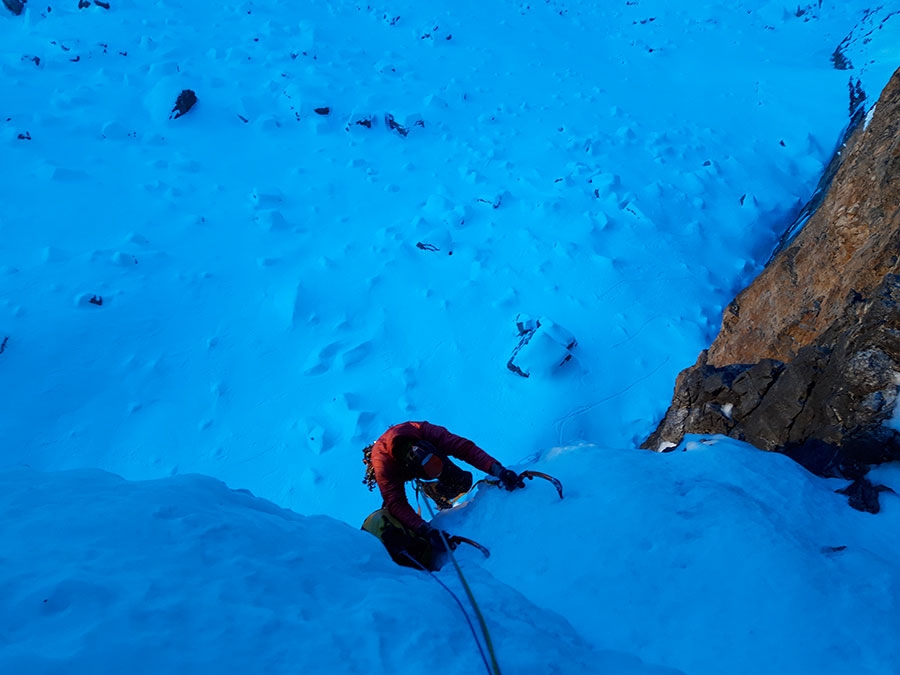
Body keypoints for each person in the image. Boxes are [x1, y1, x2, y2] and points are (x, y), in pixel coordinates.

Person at [361, 420, 523, 570]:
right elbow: (396, 501)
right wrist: (425, 530)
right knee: (395, 512)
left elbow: (464, 448)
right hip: (395, 462)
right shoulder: (384, 463)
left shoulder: (428, 432)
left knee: (462, 482)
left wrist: (497, 469)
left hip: (425, 452)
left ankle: (434, 489)